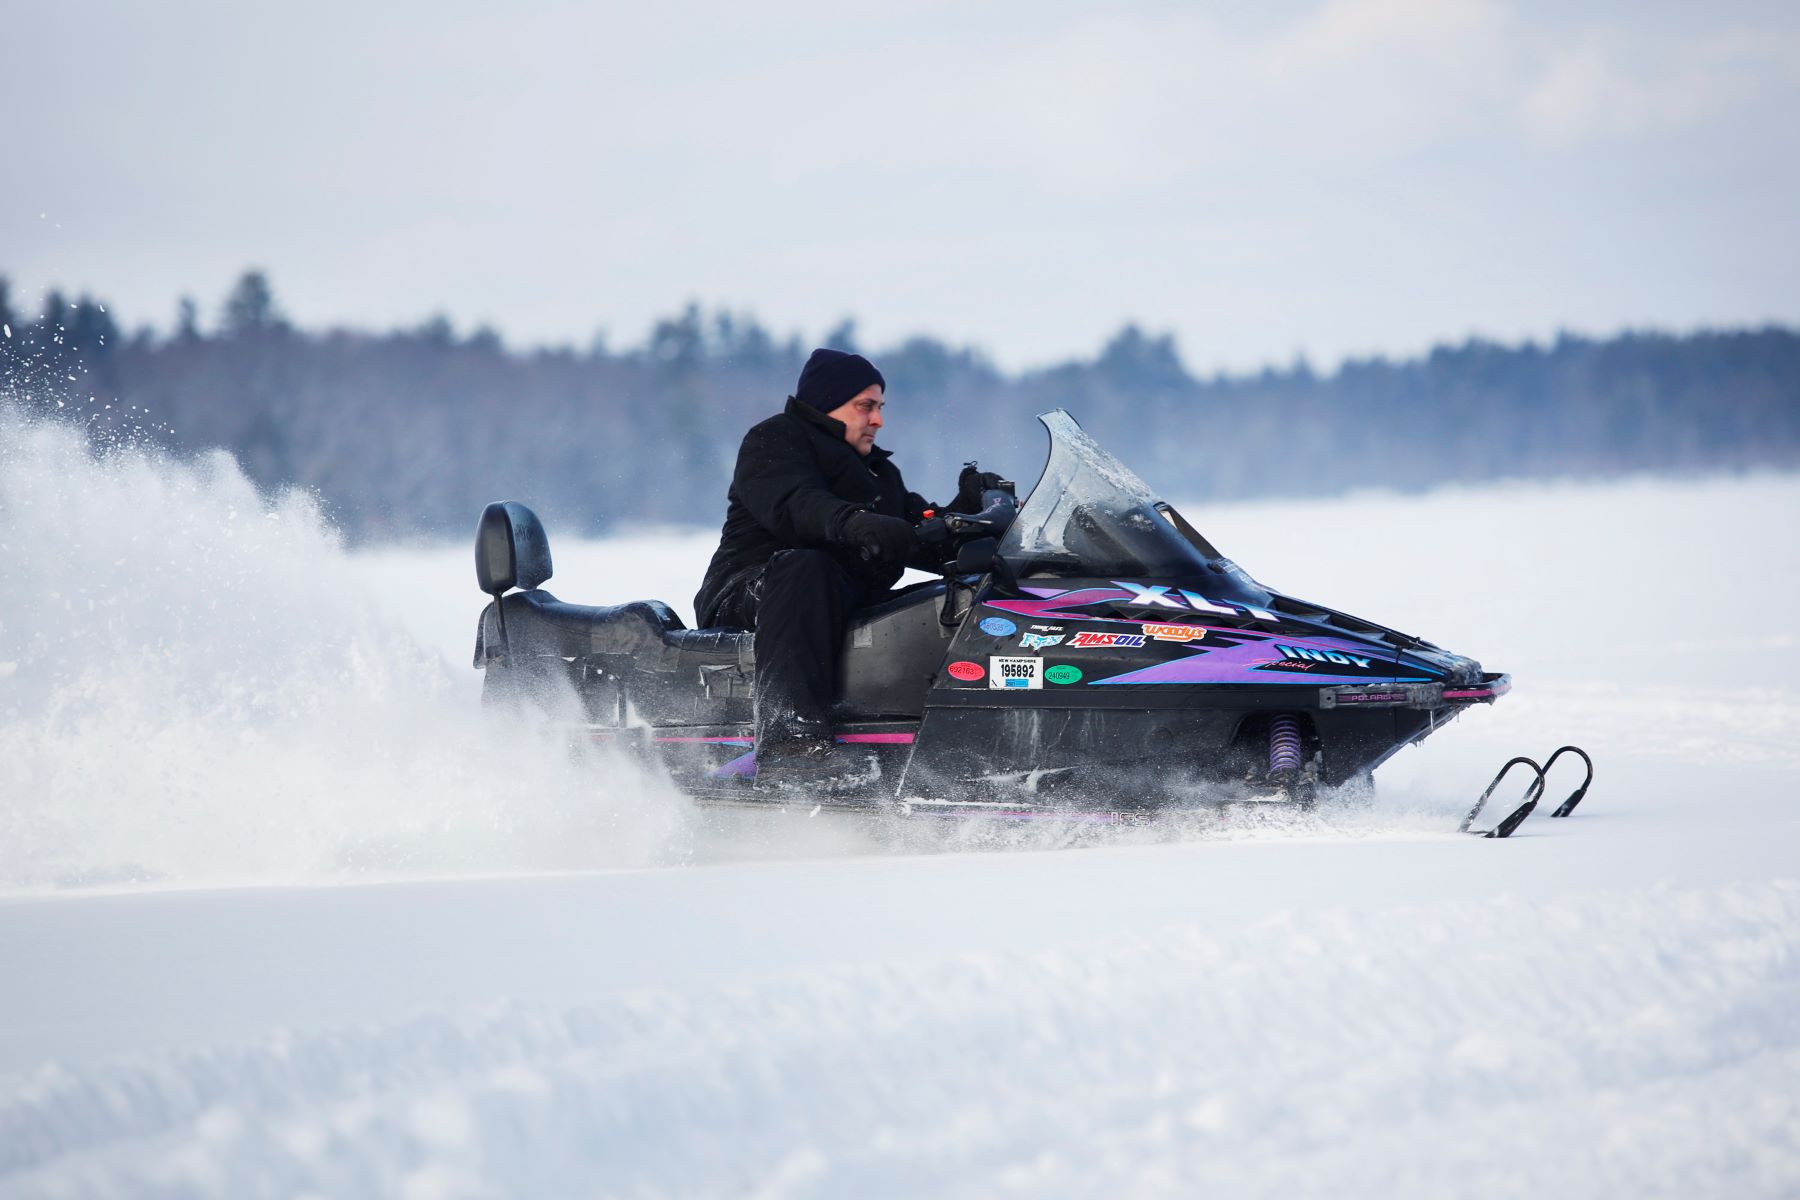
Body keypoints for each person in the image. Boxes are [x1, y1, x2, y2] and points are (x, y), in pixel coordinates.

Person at [694, 348, 994, 788]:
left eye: (880, 408)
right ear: (826, 404)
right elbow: (795, 505)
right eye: (866, 407)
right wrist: (853, 522)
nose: (878, 420)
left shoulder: (878, 475)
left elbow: (915, 535)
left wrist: (967, 516)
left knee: (935, 603)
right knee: (807, 567)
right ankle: (791, 743)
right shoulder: (776, 440)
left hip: (837, 602)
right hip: (756, 594)